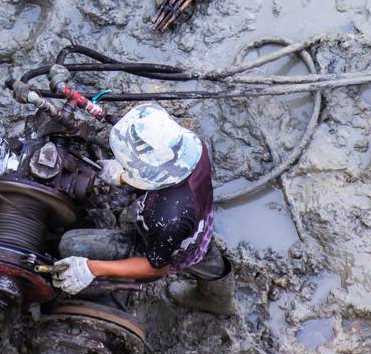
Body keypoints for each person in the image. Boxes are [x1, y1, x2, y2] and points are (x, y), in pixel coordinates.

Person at [50, 102, 234, 314]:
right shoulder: (193, 146)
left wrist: (92, 268)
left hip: (179, 239)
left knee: (71, 243)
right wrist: (122, 176)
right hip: (200, 218)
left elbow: (157, 266)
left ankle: (216, 302)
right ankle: (218, 296)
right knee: (206, 253)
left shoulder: (166, 217)